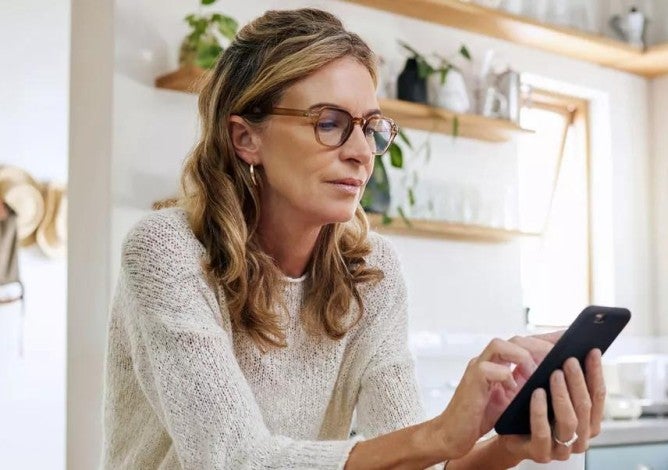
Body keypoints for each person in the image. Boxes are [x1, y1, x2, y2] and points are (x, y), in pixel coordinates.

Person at [102, 7, 606, 469]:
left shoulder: (370, 273)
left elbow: (412, 457)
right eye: (329, 123)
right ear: (245, 138)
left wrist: (504, 444)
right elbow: (234, 459)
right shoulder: (167, 252)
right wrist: (440, 434)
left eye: (370, 127)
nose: (362, 152)